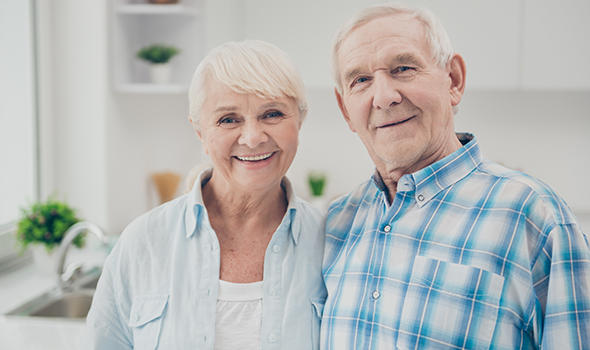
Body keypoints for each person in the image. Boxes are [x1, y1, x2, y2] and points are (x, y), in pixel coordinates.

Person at [321, 4, 590, 349]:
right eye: (360, 80)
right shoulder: (336, 223)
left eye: (403, 68)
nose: (385, 97)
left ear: (453, 80)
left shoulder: (530, 214)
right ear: (345, 108)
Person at [87, 40, 326, 350]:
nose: (252, 138)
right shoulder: (142, 243)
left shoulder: (331, 243)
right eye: (229, 119)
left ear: (300, 121)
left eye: (273, 114)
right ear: (200, 131)